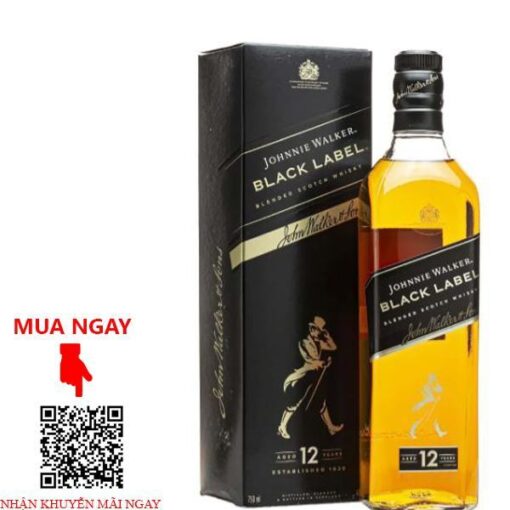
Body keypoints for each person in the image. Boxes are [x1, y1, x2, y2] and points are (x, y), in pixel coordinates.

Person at [277, 316, 343, 439]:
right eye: (315, 329)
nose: (316, 331)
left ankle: (330, 427)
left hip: (314, 377)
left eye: (319, 330)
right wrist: (324, 363)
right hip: (304, 376)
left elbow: (333, 347)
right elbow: (312, 361)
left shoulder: (319, 342)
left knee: (321, 401)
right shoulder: (304, 342)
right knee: (294, 402)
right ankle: (282, 426)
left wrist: (328, 337)